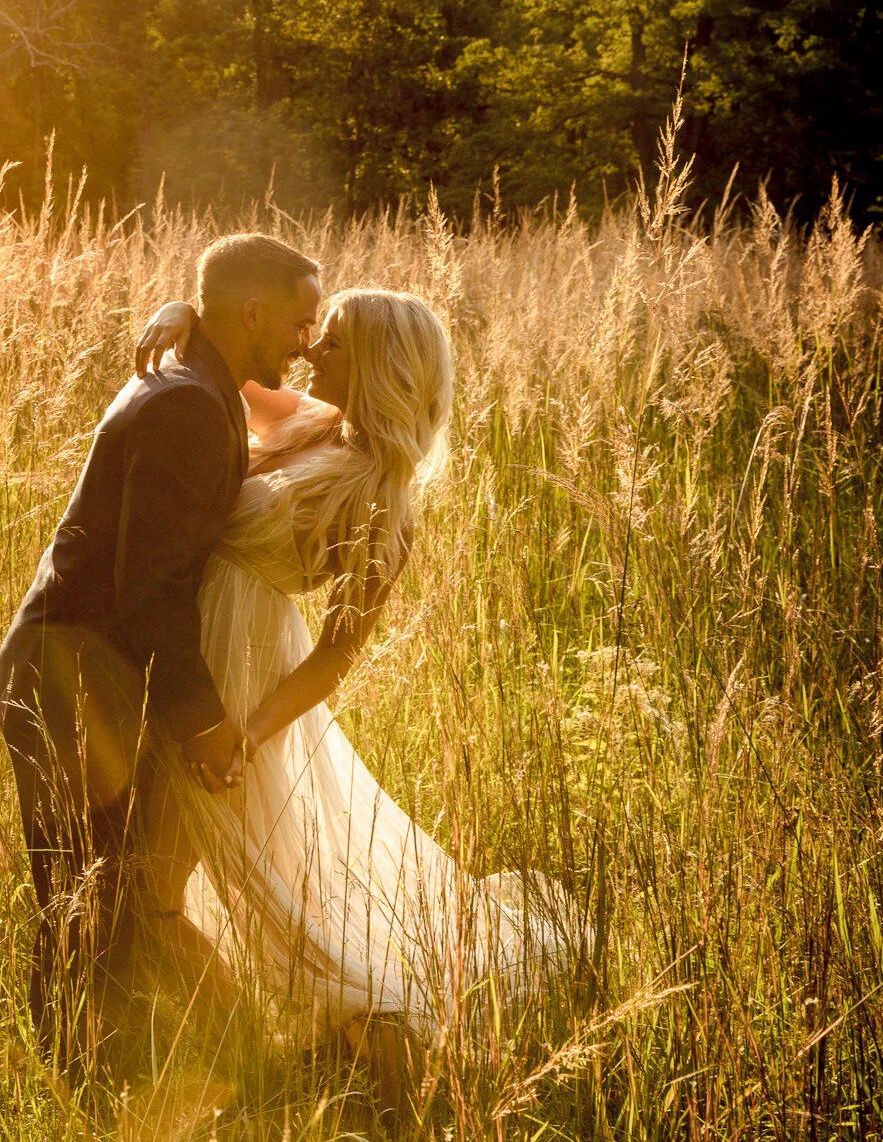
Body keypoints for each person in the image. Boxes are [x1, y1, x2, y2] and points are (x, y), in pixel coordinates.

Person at [131, 287, 588, 1097]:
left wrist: (249, 729)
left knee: (193, 891)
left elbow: (337, 655)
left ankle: (347, 1072)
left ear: (379, 363)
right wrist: (179, 309)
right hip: (184, 645)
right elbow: (219, 369)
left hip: (238, 679)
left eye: (332, 341)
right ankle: (241, 1053)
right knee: (186, 882)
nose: (310, 350)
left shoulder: (386, 504)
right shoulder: (311, 419)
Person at [0, 233, 325, 1083]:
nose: (306, 342)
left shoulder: (199, 382)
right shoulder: (185, 402)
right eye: (297, 321)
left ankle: (138, 1074)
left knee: (114, 897)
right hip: (68, 674)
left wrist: (186, 309)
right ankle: (79, 1088)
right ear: (250, 313)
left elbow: (337, 415)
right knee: (81, 901)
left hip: (90, 671)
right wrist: (204, 722)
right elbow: (154, 587)